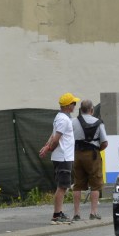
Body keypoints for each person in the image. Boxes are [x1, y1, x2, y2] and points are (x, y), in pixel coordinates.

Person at [39, 92, 78, 224]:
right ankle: (56, 215)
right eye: (73, 103)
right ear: (67, 106)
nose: (75, 105)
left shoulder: (60, 117)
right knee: (62, 186)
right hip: (63, 157)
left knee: (63, 186)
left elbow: (52, 135)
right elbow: (56, 139)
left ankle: (59, 212)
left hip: (63, 156)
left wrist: (46, 146)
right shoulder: (63, 120)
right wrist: (48, 148)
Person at [71, 99, 108, 221]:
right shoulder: (98, 123)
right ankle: (93, 212)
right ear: (92, 110)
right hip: (92, 154)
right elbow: (104, 142)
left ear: (80, 110)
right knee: (95, 184)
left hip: (77, 154)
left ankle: (76, 214)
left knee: (77, 184)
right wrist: (97, 149)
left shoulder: (73, 122)